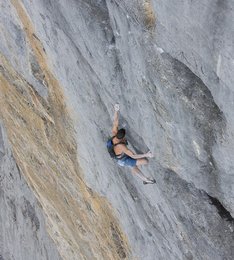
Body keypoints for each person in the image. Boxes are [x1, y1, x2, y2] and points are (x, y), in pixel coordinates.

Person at [112, 104, 156, 184]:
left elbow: (115, 122)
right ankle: (144, 179)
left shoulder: (115, 133)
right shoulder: (121, 146)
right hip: (123, 160)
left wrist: (116, 110)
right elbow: (133, 155)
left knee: (134, 165)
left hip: (121, 156)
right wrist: (146, 154)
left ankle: (144, 179)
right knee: (145, 161)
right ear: (122, 138)